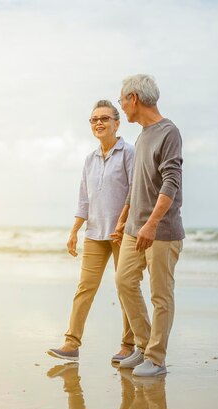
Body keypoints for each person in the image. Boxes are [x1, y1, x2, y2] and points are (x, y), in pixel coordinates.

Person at [47, 99, 136, 363]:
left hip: (123, 234)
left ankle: (128, 346)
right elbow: (84, 198)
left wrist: (122, 223)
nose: (99, 123)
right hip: (95, 233)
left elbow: (134, 192)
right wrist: (75, 230)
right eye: (94, 119)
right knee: (85, 288)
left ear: (116, 123)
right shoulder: (90, 159)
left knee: (126, 290)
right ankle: (71, 344)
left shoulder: (129, 153)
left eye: (104, 118)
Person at [112, 74, 185, 377]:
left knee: (160, 296)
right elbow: (137, 184)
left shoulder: (169, 133)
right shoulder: (142, 135)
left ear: (134, 99)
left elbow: (172, 182)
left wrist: (152, 224)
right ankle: (143, 345)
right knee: (124, 282)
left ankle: (156, 358)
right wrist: (124, 217)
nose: (122, 106)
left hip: (161, 231)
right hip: (134, 229)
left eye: (121, 100)